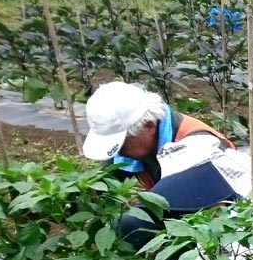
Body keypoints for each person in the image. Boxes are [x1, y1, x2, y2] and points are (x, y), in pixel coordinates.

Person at [81, 81, 234, 190]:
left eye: (121, 144)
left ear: (149, 126)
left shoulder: (202, 149)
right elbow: (100, 183)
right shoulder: (137, 140)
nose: (118, 151)